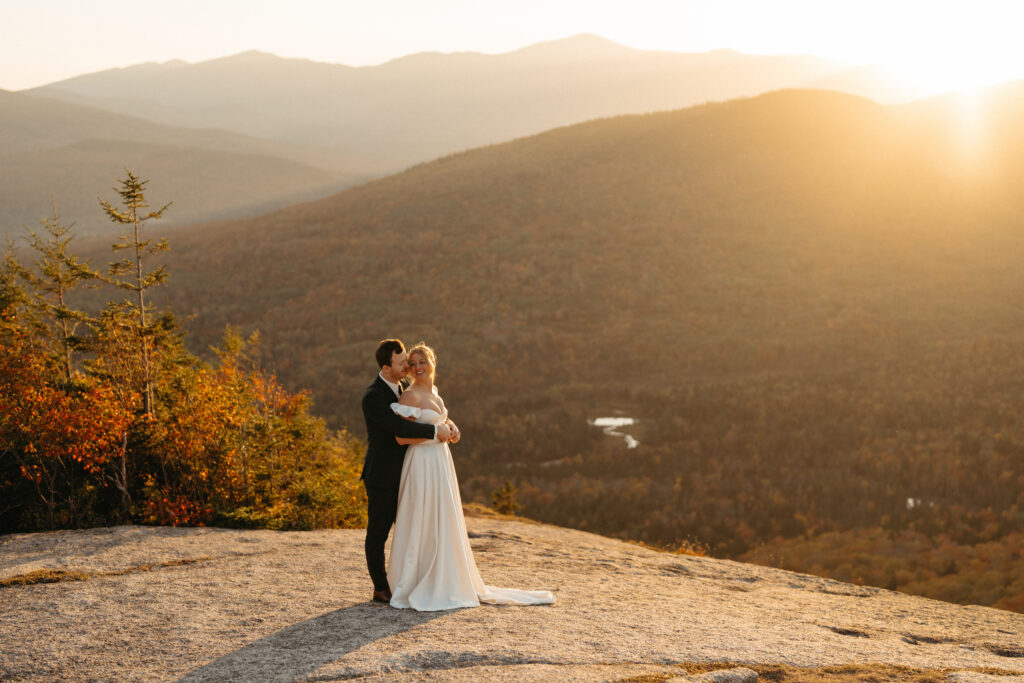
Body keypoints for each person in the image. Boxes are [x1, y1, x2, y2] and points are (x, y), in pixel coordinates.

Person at [387, 342, 555, 610]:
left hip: (440, 462)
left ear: (432, 364)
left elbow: (438, 421)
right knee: (423, 515)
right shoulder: (409, 397)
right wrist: (434, 433)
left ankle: (447, 573)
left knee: (442, 516)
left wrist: (451, 429)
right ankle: (418, 578)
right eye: (414, 363)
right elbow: (400, 436)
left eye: (423, 362)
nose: (418, 367)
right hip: (421, 463)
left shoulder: (436, 395)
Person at [361, 339, 453, 604]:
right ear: (386, 366)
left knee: (411, 530)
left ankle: (412, 580)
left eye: (409, 362)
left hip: (410, 473)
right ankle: (381, 588)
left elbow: (425, 414)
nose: (408, 367)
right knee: (378, 532)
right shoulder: (373, 397)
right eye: (402, 363)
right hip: (383, 475)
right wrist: (437, 431)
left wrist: (447, 424)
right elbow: (400, 431)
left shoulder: (403, 388)